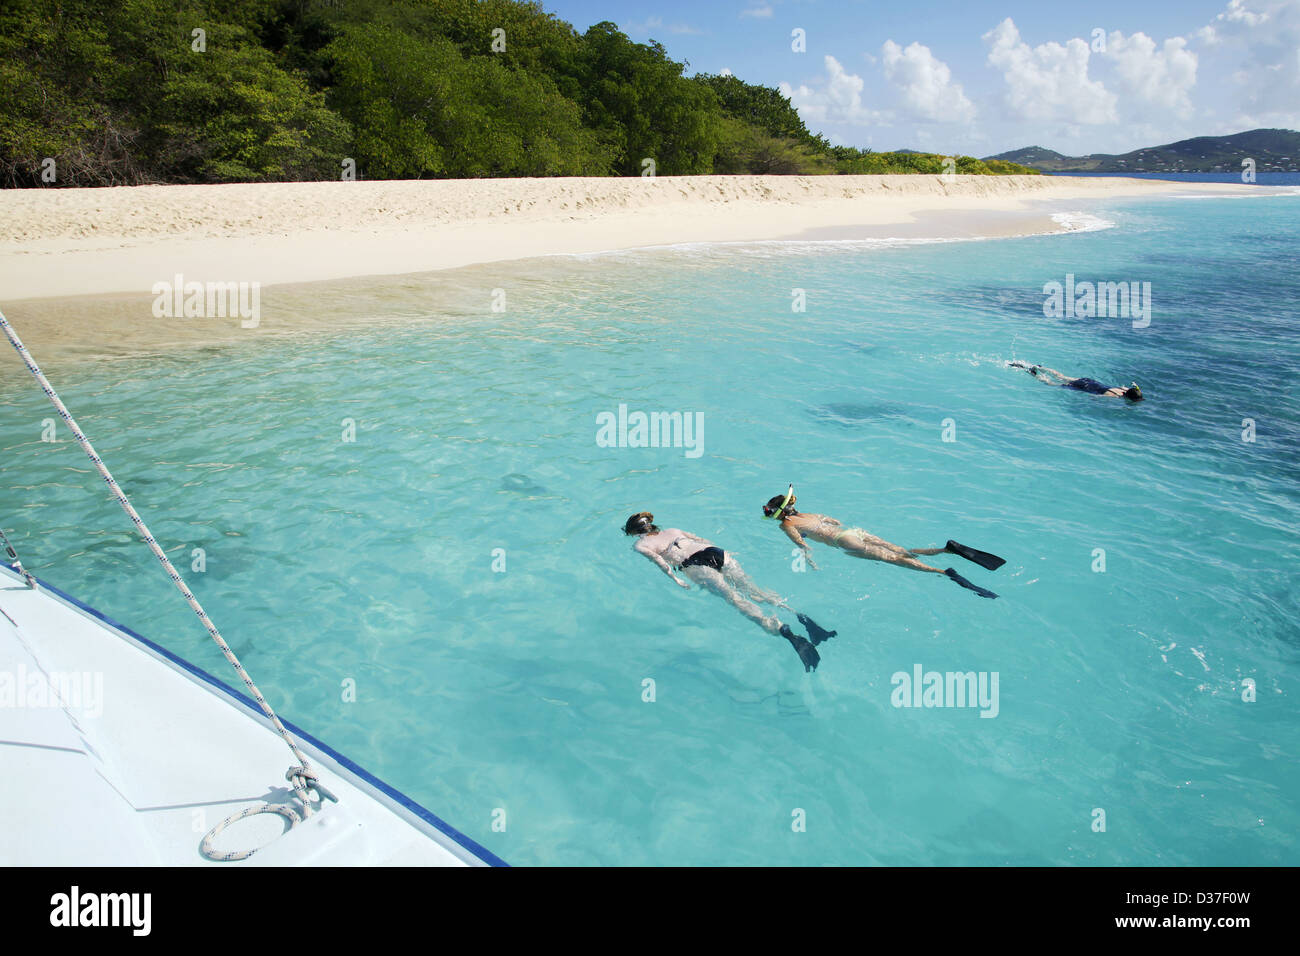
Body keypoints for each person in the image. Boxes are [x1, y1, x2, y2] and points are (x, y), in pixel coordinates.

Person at [623, 511, 834, 672]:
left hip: (693, 565)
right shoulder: (673, 530)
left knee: (734, 599)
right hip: (715, 552)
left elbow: (661, 562)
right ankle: (803, 618)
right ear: (650, 523)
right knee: (755, 591)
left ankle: (785, 632)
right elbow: (702, 540)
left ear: (634, 532)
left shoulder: (640, 546)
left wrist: (675, 579)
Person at [761, 486, 1004, 599]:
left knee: (898, 562)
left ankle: (944, 572)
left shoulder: (787, 525)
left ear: (778, 514)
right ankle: (945, 549)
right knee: (902, 550)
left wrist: (809, 559)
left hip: (843, 541)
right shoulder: (807, 514)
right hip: (853, 531)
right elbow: (831, 519)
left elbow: (802, 544)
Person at [1010, 361, 1143, 401]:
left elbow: (1132, 387)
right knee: (1052, 384)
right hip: (1084, 387)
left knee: (1061, 376)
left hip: (1089, 381)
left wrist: (1136, 388)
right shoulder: (1115, 395)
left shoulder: (1123, 389)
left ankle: (1041, 368)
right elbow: (1094, 396)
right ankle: (1032, 373)